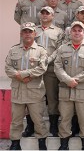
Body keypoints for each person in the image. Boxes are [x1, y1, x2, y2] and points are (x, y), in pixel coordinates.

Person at [54, 21, 84, 150]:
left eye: (80, 30)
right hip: (65, 90)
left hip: (83, 90)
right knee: (65, 118)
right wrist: (68, 80)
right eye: (74, 30)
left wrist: (76, 79)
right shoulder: (62, 48)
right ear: (70, 32)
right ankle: (64, 145)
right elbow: (58, 67)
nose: (77, 32)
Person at [5, 22, 48, 150]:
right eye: (25, 31)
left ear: (35, 34)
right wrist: (18, 76)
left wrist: (23, 74)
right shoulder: (13, 50)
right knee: (16, 120)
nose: (27, 34)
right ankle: (15, 143)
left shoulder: (41, 50)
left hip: (34, 91)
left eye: (30, 31)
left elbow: (42, 68)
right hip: (18, 91)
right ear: (21, 34)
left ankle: (41, 141)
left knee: (38, 119)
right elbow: (8, 68)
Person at [35, 6, 64, 137]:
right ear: (40, 15)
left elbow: (59, 49)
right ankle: (32, 125)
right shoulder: (33, 30)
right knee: (34, 98)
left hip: (51, 69)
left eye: (48, 13)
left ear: (53, 16)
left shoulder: (58, 31)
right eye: (43, 13)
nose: (45, 15)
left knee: (52, 98)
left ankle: (53, 125)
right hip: (35, 69)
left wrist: (47, 60)